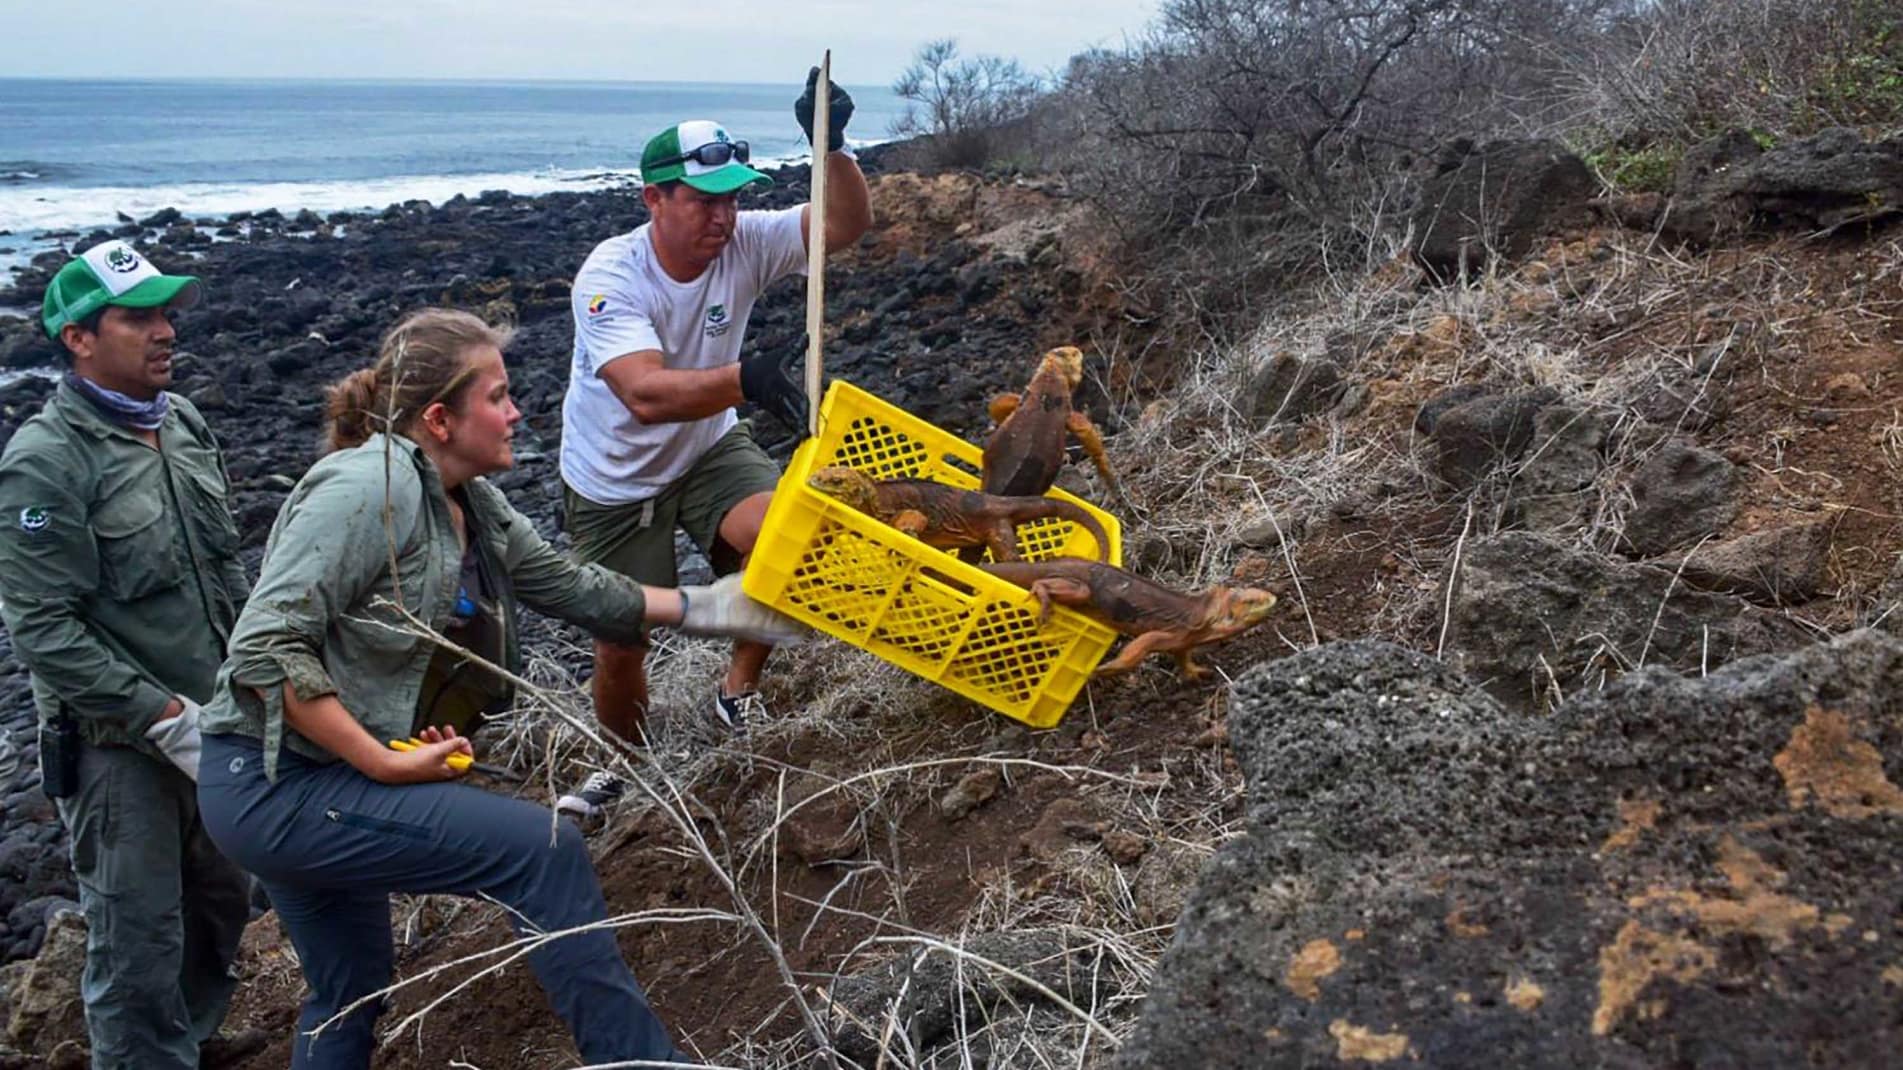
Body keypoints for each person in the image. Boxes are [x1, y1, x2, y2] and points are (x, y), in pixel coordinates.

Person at [194, 307, 805, 1069]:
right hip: (272, 784)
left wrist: (716, 607)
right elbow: (265, 647)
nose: (517, 412)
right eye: (499, 396)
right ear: (441, 418)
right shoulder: (362, 489)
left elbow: (566, 584)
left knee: (348, 986)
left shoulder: (471, 502)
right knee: (540, 849)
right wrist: (381, 763)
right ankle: (636, 1062)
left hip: (311, 778)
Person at [557, 68, 872, 810]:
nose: (722, 219)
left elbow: (842, 228)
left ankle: (737, 690)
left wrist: (833, 146)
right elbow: (641, 392)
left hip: (706, 448)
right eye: (703, 202)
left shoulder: (745, 242)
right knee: (622, 639)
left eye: (731, 199)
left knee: (784, 542)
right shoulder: (611, 274)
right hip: (615, 481)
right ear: (654, 200)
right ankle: (626, 766)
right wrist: (751, 379)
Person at [0, 240, 258, 1069]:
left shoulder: (179, 423)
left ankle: (193, 1039)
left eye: (166, 313)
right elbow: (42, 631)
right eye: (138, 316)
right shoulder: (45, 463)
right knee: (136, 932)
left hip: (214, 718)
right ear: (79, 337)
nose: (164, 331)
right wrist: (162, 716)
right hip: (121, 746)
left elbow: (222, 570)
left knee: (222, 899)